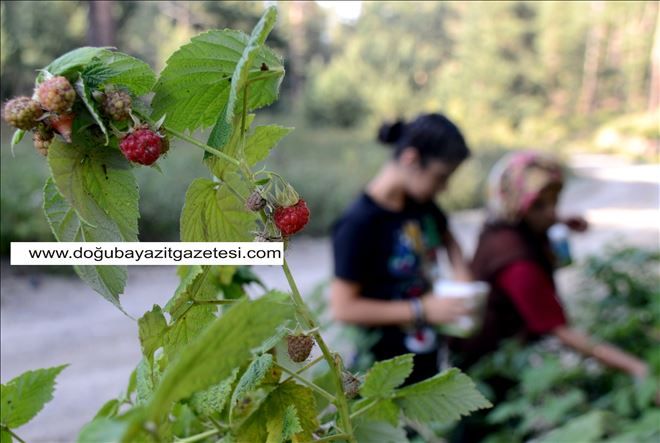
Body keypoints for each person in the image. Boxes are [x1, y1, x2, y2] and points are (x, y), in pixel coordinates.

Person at [448, 151, 650, 441]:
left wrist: (564, 224)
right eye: (540, 205)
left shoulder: (502, 227)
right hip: (486, 365)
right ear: (516, 204)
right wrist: (635, 366)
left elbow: (538, 219)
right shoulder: (518, 264)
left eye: (555, 201)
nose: (552, 212)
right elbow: (559, 330)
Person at [329, 113, 474, 384]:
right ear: (411, 159)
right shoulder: (359, 223)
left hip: (426, 359)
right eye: (441, 177)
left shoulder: (422, 205)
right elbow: (343, 307)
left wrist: (462, 280)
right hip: (380, 376)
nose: (444, 187)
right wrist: (421, 310)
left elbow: (449, 239)